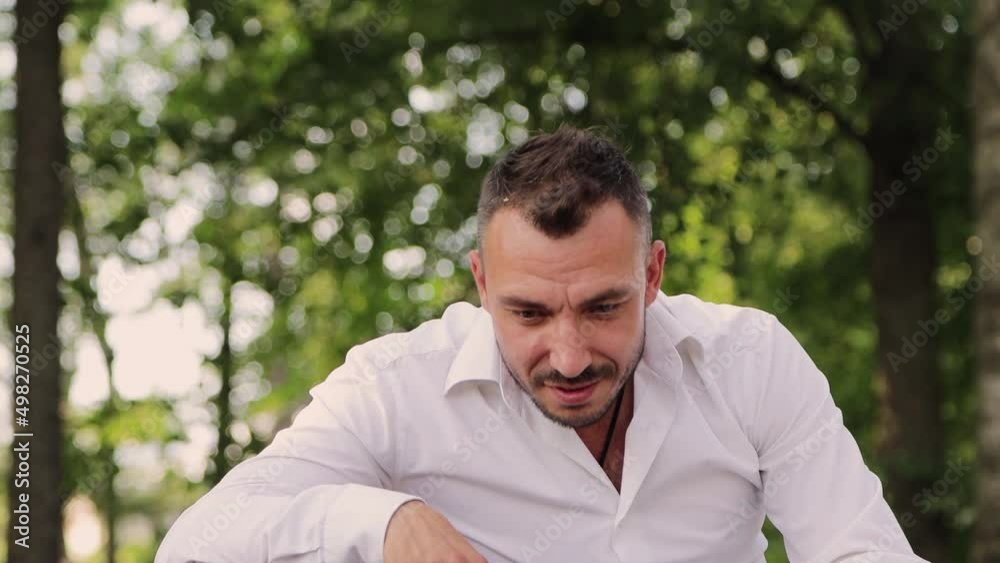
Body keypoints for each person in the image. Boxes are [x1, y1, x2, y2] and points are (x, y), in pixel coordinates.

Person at [155, 125, 927, 563]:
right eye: (528, 312)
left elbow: (862, 551)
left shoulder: (749, 361)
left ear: (652, 274)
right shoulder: (395, 388)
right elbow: (194, 543)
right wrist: (378, 520)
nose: (569, 355)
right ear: (481, 282)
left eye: (602, 306)